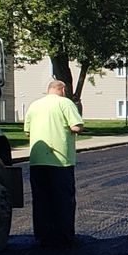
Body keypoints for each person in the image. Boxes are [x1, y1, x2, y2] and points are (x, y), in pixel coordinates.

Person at [25, 79, 84, 246]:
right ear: (62, 90)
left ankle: (42, 236)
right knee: (63, 199)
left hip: (37, 160)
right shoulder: (65, 103)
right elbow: (76, 126)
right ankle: (64, 236)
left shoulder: (34, 105)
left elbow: (27, 132)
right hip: (60, 159)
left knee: (41, 199)